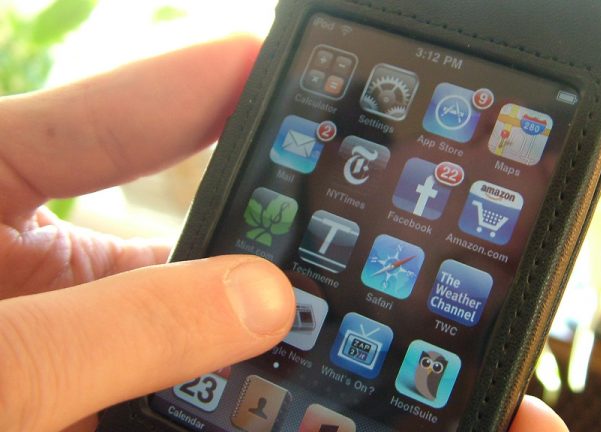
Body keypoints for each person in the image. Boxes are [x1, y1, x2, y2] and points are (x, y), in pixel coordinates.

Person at [0, 36, 569, 432]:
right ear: (334, 168)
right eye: (485, 129)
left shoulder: (422, 391)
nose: (527, 173)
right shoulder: (273, 284)